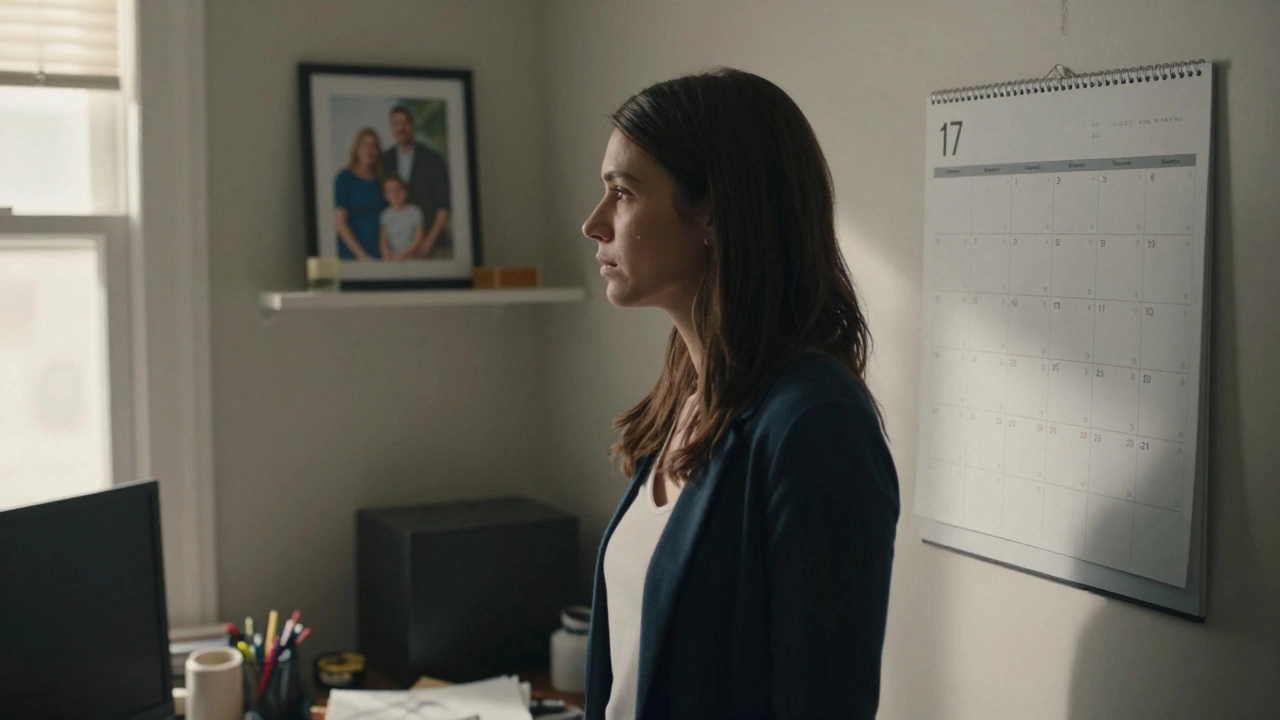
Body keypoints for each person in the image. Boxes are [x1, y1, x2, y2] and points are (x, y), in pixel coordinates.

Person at [579, 67, 900, 720]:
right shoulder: (685, 399)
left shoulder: (815, 425)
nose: (594, 223)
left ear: (715, 215)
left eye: (624, 193)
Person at [382, 104, 453, 259]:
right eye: (396, 124)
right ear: (391, 127)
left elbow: (444, 206)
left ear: (413, 125)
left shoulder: (433, 159)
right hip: (396, 252)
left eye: (405, 123)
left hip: (431, 246)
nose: (401, 128)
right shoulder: (385, 160)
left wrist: (428, 243)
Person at [334, 128, 387, 260]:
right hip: (352, 252)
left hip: (379, 250)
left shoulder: (381, 180)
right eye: (364, 145)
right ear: (357, 148)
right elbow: (340, 222)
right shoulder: (345, 178)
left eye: (373, 146)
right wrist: (362, 256)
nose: (369, 150)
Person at [378, 175, 426, 261]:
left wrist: (403, 255)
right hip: (392, 259)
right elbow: (383, 241)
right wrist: (387, 258)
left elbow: (419, 238)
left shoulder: (415, 212)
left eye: (398, 189)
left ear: (405, 192)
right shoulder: (385, 215)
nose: (394, 194)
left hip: (412, 258)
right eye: (390, 191)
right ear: (385, 195)